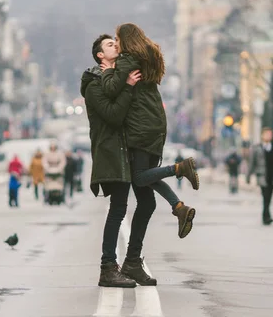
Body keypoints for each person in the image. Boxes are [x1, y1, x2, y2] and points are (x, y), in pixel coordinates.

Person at [101, 24, 199, 239]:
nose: (116, 43)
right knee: (147, 176)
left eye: (117, 39)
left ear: (126, 39)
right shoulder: (149, 57)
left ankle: (180, 168)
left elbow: (110, 89)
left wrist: (108, 70)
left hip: (141, 126)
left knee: (139, 177)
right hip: (154, 124)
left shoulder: (128, 60)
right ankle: (179, 208)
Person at [81, 34, 141, 288]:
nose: (115, 46)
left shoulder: (111, 80)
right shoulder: (94, 84)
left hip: (121, 150)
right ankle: (108, 267)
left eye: (115, 43)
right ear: (99, 55)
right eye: (109, 45)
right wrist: (127, 86)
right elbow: (113, 116)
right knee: (117, 210)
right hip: (109, 151)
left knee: (120, 208)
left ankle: (120, 265)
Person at [246, 127, 273, 225]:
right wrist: (248, 176)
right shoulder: (256, 148)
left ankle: (266, 214)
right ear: (262, 135)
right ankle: (266, 216)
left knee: (269, 196)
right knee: (265, 195)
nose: (268, 136)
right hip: (262, 175)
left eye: (270, 134)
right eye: (266, 134)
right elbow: (251, 163)